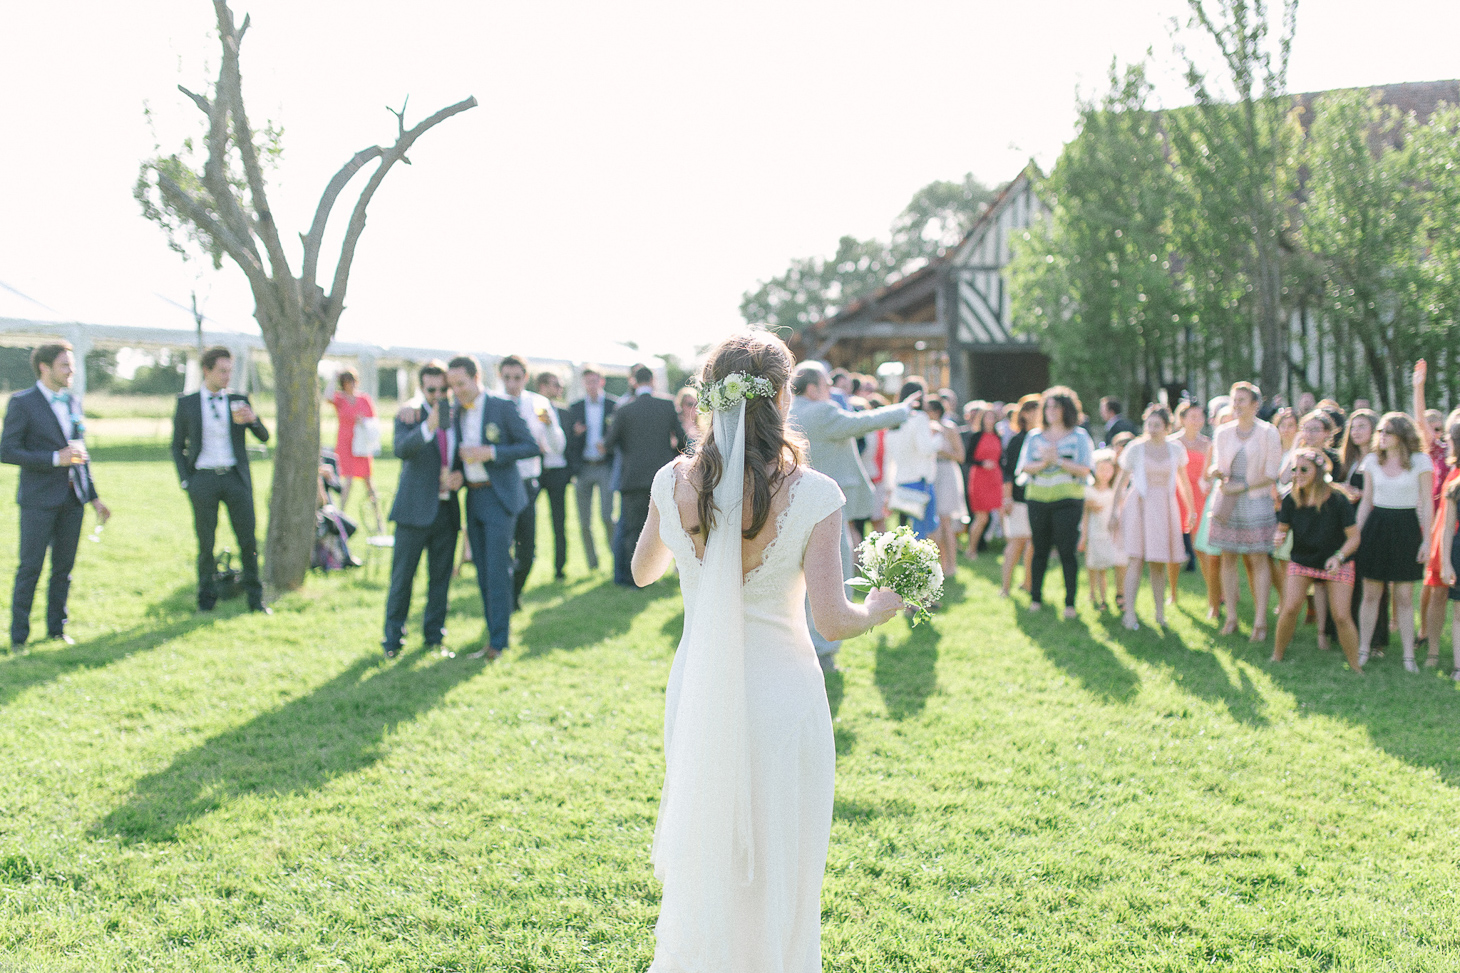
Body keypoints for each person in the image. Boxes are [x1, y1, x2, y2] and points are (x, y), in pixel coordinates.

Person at [629, 330, 904, 970]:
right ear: (783, 398)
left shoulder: (672, 481)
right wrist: (884, 605)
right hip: (783, 695)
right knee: (784, 854)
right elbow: (833, 622)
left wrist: (688, 529)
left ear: (710, 399)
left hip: (700, 687)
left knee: (713, 848)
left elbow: (642, 571)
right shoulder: (814, 493)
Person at [788, 360, 914, 672]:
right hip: (825, 505)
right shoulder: (821, 411)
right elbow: (861, 422)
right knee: (834, 574)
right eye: (827, 386)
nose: (831, 392)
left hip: (792, 504)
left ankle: (803, 644)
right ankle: (823, 651)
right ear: (814, 387)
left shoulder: (787, 412)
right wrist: (902, 410)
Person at [2, 341, 110, 648]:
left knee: (63, 569)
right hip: (38, 500)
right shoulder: (22, 403)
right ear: (44, 368)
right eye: (65, 365)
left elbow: (79, 455)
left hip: (72, 500)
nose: (71, 371)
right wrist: (53, 458)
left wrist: (93, 498)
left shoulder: (73, 402)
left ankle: (56, 630)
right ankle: (19, 637)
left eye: (72, 365)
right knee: (30, 568)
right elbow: (6, 450)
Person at [446, 355, 539, 660]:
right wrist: (459, 470)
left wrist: (492, 452)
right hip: (472, 498)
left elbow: (530, 446)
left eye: (461, 383)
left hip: (500, 498)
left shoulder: (502, 405)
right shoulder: (456, 410)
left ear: (477, 378)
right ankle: (493, 638)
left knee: (498, 570)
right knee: (483, 572)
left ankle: (498, 643)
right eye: (453, 385)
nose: (456, 390)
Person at [171, 346, 270, 614]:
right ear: (207, 370)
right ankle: (206, 600)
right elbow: (176, 446)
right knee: (206, 543)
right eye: (222, 371)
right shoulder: (187, 403)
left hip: (235, 478)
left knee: (248, 540)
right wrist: (186, 481)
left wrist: (253, 419)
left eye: (230, 371)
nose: (227, 376)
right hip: (202, 479)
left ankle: (255, 599)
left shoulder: (239, 399)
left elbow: (264, 437)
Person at [381, 362, 462, 658]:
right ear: (422, 389)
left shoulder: (458, 417)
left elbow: (461, 458)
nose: (438, 395)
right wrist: (428, 425)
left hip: (446, 511)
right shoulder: (409, 416)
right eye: (432, 390)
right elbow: (401, 449)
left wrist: (460, 477)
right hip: (413, 512)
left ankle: (434, 638)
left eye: (444, 389)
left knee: (440, 580)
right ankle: (392, 641)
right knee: (402, 579)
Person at [1270, 448, 1363, 671]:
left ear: (1319, 471)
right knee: (1290, 608)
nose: (1297, 474)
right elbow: (1282, 529)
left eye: (1303, 469)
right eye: (1294, 469)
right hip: (1303, 560)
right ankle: (1276, 656)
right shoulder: (1291, 499)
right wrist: (1279, 536)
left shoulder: (1338, 500)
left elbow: (1354, 538)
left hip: (1335, 561)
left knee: (1341, 616)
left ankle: (1356, 667)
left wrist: (1338, 558)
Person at [1354, 412, 1432, 671]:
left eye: (1387, 432)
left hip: (1407, 527)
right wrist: (1356, 535)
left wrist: (1427, 540)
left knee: (1404, 595)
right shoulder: (1371, 461)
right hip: (1376, 526)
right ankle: (1363, 649)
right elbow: (1366, 501)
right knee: (1371, 592)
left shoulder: (1421, 461)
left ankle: (1408, 656)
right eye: (1380, 432)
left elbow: (1428, 503)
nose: (1381, 436)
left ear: (1402, 436)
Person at [1208, 382, 1282, 641]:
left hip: (1256, 499)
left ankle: (1260, 622)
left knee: (1258, 559)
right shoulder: (1223, 432)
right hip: (1228, 501)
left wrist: (1245, 485)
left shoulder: (1268, 432)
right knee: (1228, 558)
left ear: (1255, 405)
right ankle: (1231, 618)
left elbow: (1272, 473)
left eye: (1242, 400)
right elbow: (1218, 464)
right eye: (1234, 400)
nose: (1237, 405)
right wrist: (1216, 473)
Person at [1109, 405, 1193, 631]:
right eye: (1149, 424)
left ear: (1167, 427)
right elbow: (1121, 481)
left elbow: (1183, 482)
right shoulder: (1136, 448)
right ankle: (1129, 614)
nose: (1153, 429)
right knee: (1135, 559)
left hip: (1164, 507)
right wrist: (1113, 512)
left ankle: (1160, 613)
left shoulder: (1175, 450)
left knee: (1158, 562)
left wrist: (1191, 510)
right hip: (1138, 505)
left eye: (1158, 425)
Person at [605, 364, 688, 588]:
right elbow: (682, 439)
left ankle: (634, 577)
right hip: (661, 477)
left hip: (632, 477)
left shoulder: (624, 410)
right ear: (652, 381)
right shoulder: (666, 406)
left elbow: (610, 443)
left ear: (634, 382)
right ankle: (655, 575)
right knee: (663, 527)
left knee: (633, 529)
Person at [1017, 386, 1094, 619]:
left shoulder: (1079, 436)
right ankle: (1036, 598)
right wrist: (1044, 462)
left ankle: (1070, 603)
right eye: (1047, 406)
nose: (1051, 411)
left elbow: (1085, 469)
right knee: (1039, 550)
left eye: (1056, 406)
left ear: (1066, 409)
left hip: (1068, 500)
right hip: (1038, 499)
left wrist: (1058, 460)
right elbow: (1024, 467)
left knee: (1067, 552)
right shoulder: (1034, 436)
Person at [498, 355, 566, 608]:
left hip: (528, 482)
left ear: (525, 378)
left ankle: (514, 593)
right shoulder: (493, 403)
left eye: (517, 378)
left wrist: (549, 427)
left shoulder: (539, 404)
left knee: (528, 550)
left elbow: (557, 447)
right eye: (507, 378)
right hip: (500, 482)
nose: (512, 383)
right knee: (502, 546)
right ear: (500, 377)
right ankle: (503, 598)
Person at [565, 366, 618, 573]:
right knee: (584, 521)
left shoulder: (614, 405)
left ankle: (616, 559)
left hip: (605, 466)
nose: (591, 385)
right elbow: (567, 440)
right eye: (587, 382)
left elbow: (620, 436)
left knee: (607, 516)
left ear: (601, 381)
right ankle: (592, 563)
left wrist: (608, 443)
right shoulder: (575, 407)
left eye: (594, 381)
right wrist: (575, 433)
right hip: (584, 467)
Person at [884, 378, 942, 540]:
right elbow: (926, 449)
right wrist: (938, 436)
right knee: (923, 533)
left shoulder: (893, 422)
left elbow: (888, 460)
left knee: (904, 532)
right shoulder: (919, 418)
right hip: (920, 481)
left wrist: (888, 486)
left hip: (901, 481)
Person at [999, 395, 1040, 598]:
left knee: (1034, 544)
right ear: (1024, 414)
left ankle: (1028, 583)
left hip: (1038, 499)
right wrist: (1007, 499)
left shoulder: (1043, 438)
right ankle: (1005, 587)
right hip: (1018, 500)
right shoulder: (1017, 440)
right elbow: (1008, 472)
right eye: (1032, 410)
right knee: (1015, 544)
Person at [535, 371, 572, 582]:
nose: (559, 389)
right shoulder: (531, 408)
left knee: (560, 521)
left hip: (558, 473)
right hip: (538, 471)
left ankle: (560, 568)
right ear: (542, 386)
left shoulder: (564, 412)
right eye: (554, 384)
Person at [328, 367, 378, 519]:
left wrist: (363, 420)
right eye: (347, 382)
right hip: (345, 443)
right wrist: (333, 377)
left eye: (353, 381)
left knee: (368, 480)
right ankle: (340, 517)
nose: (351, 384)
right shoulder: (340, 399)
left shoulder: (364, 399)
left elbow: (373, 421)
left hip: (361, 444)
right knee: (347, 480)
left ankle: (378, 519)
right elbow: (327, 396)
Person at [925, 398, 967, 577]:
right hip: (930, 473)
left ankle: (952, 565)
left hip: (946, 472)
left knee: (945, 520)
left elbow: (961, 456)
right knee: (934, 522)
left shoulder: (949, 428)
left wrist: (940, 451)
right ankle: (938, 565)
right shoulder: (924, 427)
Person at [1080, 449, 1122, 612]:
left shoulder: (1113, 492)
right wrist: (1083, 537)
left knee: (1102, 568)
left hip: (1107, 535)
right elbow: (1085, 516)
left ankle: (1103, 599)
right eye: (1101, 469)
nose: (1104, 473)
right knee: (1092, 565)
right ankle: (1092, 592)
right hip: (1093, 534)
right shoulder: (1088, 492)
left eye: (1108, 470)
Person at [964, 403, 1003, 559]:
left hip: (995, 478)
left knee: (1001, 513)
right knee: (982, 517)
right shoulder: (976, 436)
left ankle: (1011, 546)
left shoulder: (997, 436)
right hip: (980, 478)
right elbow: (968, 458)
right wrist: (982, 463)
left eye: (992, 417)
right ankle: (971, 549)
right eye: (987, 416)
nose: (990, 420)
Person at [1435, 469, 1460, 682]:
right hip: (1459, 553)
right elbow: (1447, 527)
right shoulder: (1455, 488)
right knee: (1459, 614)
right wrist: (1445, 564)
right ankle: (1459, 667)